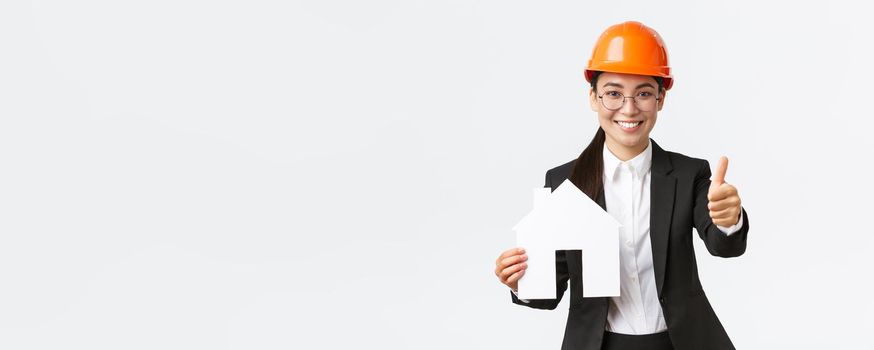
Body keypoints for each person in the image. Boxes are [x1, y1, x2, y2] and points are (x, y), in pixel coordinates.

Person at [493, 21, 749, 350]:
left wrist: (729, 220)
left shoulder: (690, 174)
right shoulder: (564, 183)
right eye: (613, 93)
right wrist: (519, 282)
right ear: (593, 98)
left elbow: (723, 246)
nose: (629, 108)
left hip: (680, 342)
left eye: (643, 93)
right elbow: (548, 293)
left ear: (660, 99)